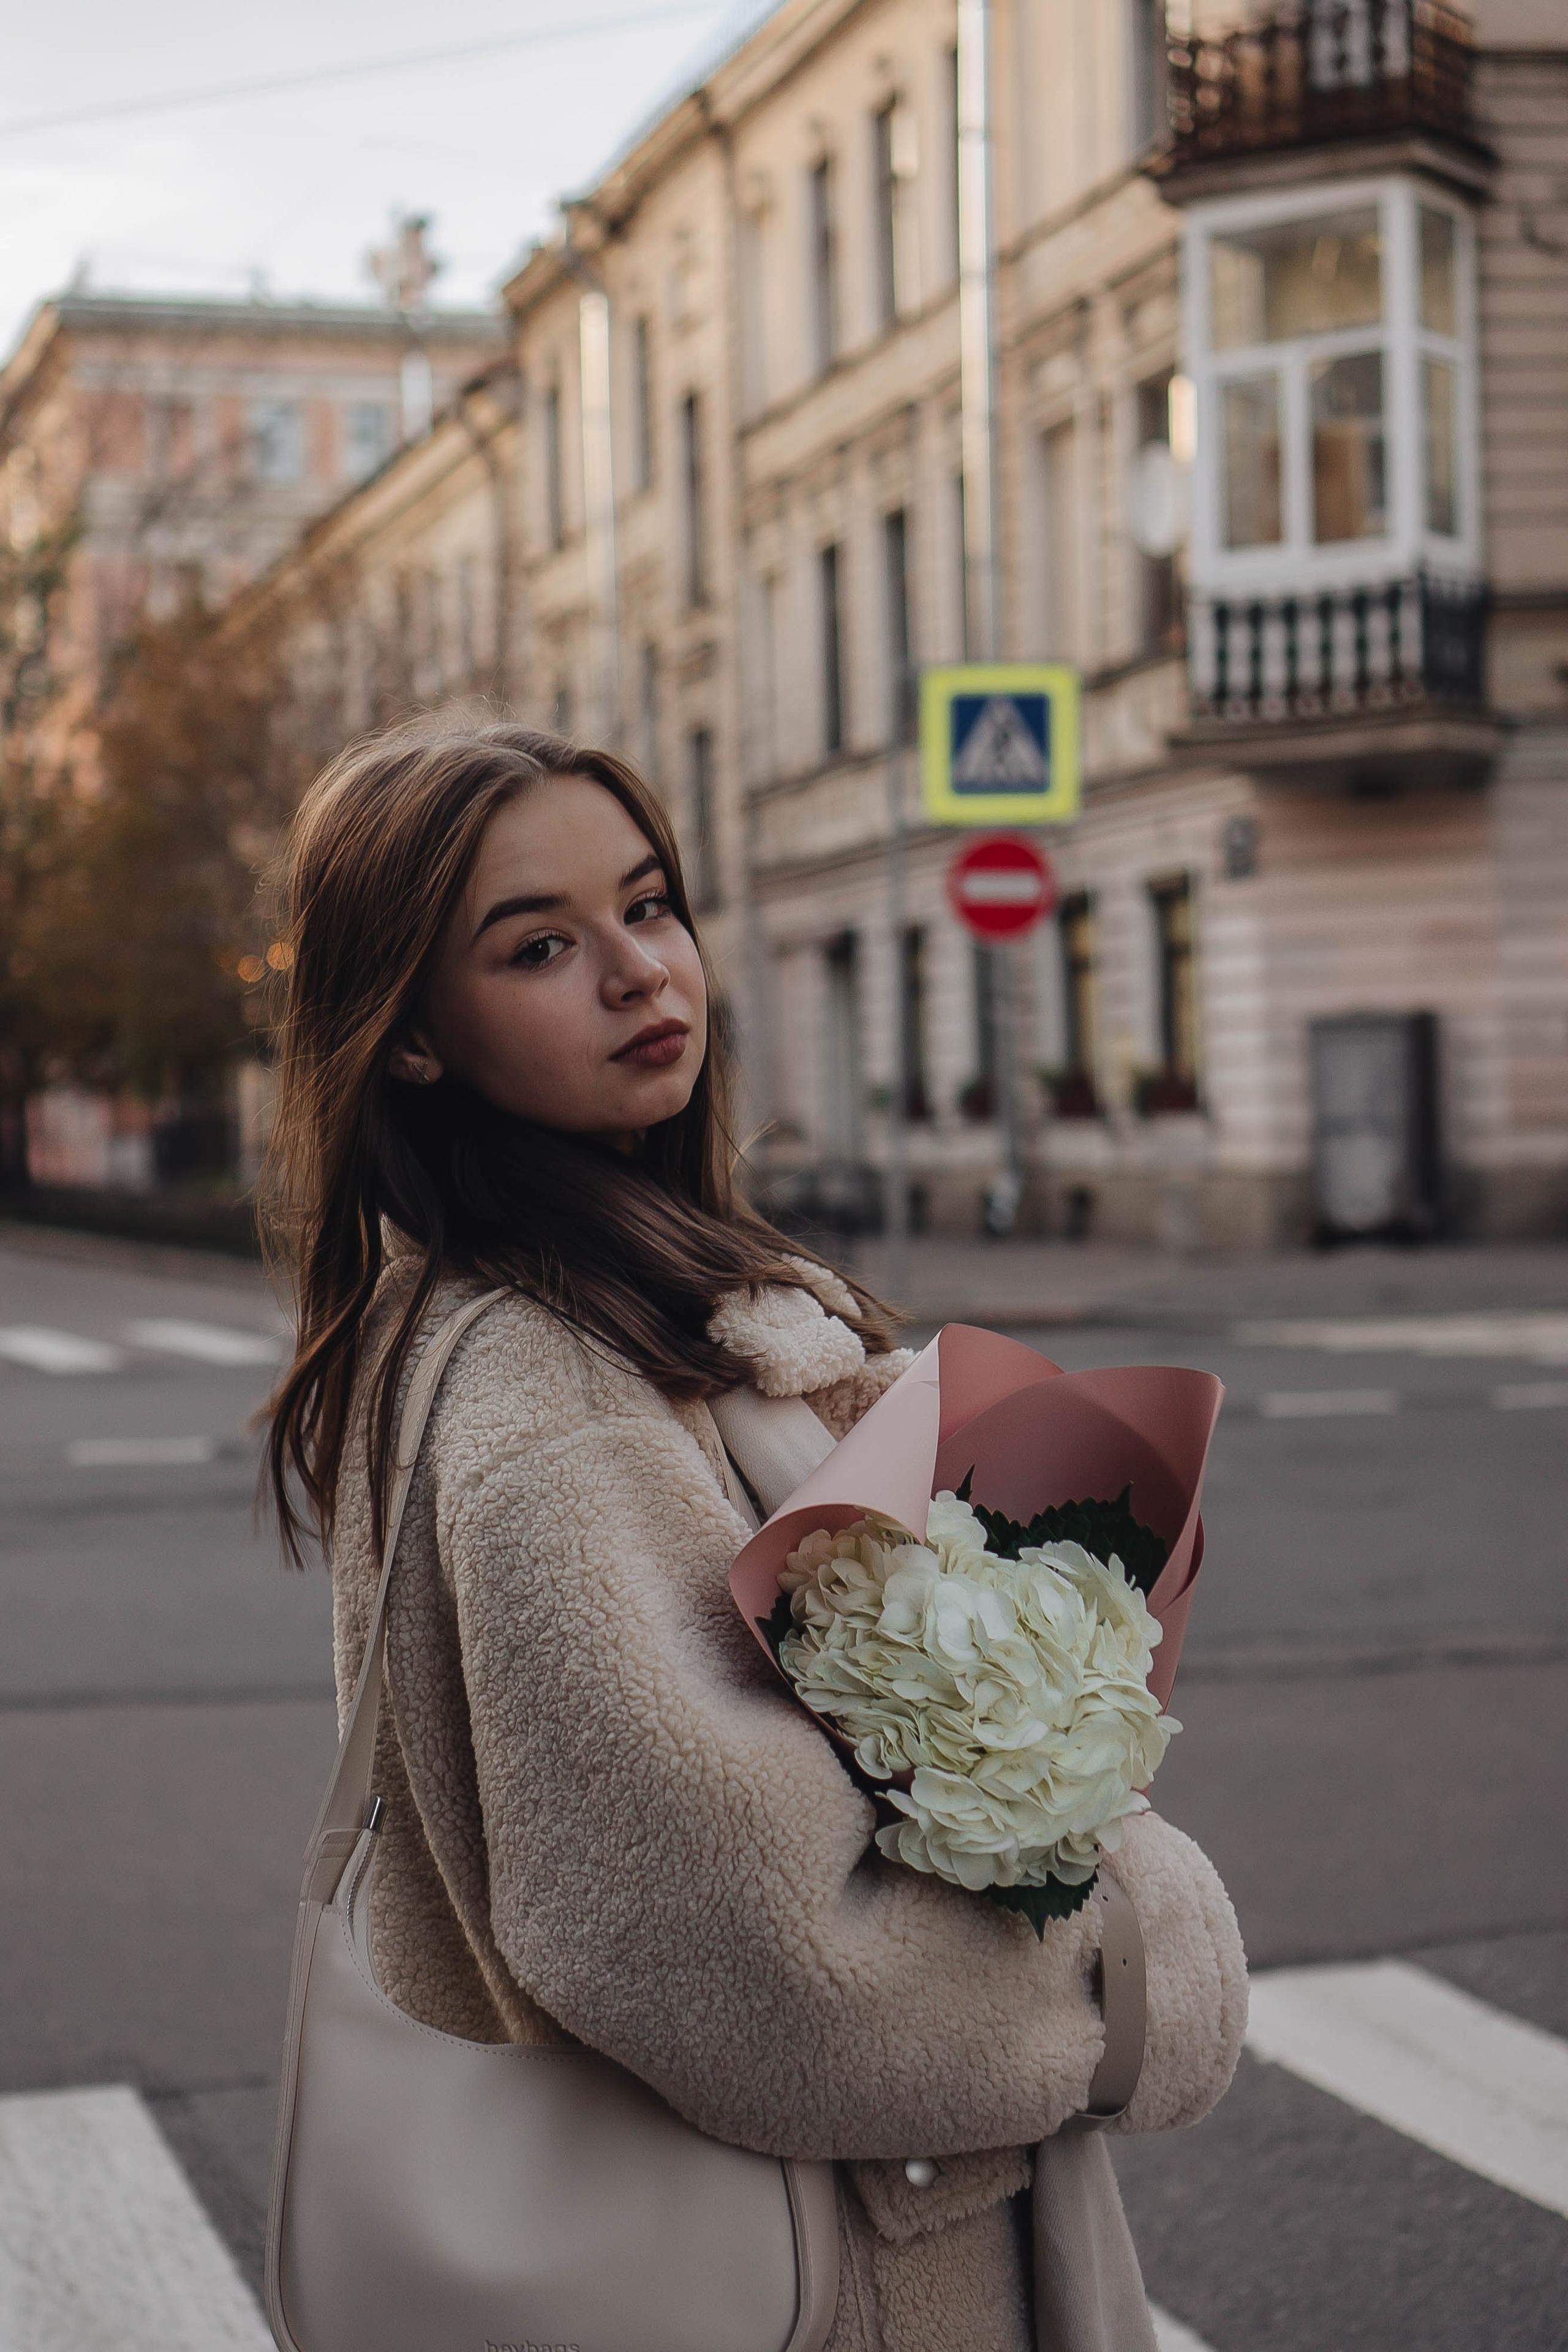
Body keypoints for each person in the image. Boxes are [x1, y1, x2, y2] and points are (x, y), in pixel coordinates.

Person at [262, 717, 1246, 2352]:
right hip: (843, 2277)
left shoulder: (596, 1311)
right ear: (415, 1036)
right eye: (541, 946)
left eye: (649, 907)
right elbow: (769, 1970)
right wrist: (1143, 1948)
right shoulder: (550, 1386)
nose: (643, 974)